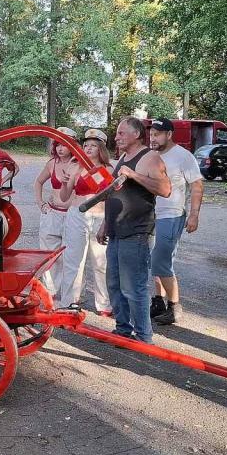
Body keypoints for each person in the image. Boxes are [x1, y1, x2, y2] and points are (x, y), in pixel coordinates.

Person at [98, 117, 170, 343]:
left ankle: (143, 336)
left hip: (136, 232)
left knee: (133, 287)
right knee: (114, 285)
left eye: (121, 133)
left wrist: (134, 175)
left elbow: (165, 189)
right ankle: (123, 330)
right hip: (116, 231)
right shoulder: (123, 158)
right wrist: (105, 224)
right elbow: (115, 193)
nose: (116, 137)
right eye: (117, 133)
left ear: (137, 134)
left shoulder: (150, 157)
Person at [148, 118, 204, 326]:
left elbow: (197, 185)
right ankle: (158, 301)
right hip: (151, 214)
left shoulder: (183, 156)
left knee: (160, 261)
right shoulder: (151, 155)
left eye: (157, 134)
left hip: (171, 214)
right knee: (153, 260)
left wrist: (194, 214)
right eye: (151, 134)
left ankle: (174, 307)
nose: (153, 138)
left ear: (169, 134)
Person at [57, 128, 113, 316]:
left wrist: (107, 221)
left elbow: (112, 197)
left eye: (93, 145)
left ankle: (104, 304)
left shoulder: (108, 169)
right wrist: (65, 183)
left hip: (100, 217)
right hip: (77, 215)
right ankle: (69, 301)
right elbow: (64, 197)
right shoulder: (75, 166)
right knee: (73, 260)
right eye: (86, 145)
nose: (88, 148)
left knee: (101, 262)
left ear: (101, 149)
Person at [33, 127, 79, 302]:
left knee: (72, 255)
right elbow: (38, 182)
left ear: (72, 145)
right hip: (52, 212)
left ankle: (73, 294)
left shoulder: (79, 164)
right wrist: (40, 203)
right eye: (57, 144)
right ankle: (50, 291)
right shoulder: (52, 163)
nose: (60, 148)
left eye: (64, 144)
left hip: (72, 214)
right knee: (49, 253)